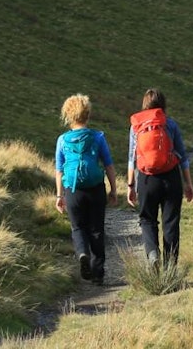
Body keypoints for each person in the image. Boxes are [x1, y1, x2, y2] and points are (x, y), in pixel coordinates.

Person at [127, 88, 193, 270]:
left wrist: (130, 185)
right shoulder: (170, 124)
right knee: (170, 222)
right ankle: (170, 269)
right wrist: (188, 184)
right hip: (170, 178)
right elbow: (183, 157)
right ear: (163, 105)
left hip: (147, 180)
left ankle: (152, 253)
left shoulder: (136, 127)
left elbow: (132, 159)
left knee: (147, 219)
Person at [54, 93, 118, 284]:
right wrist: (113, 190)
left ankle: (83, 253)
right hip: (96, 188)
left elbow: (59, 170)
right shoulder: (98, 137)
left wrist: (59, 196)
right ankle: (98, 273)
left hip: (73, 190)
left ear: (68, 116)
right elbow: (109, 165)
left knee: (78, 227)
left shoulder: (62, 140)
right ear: (88, 114)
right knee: (97, 229)